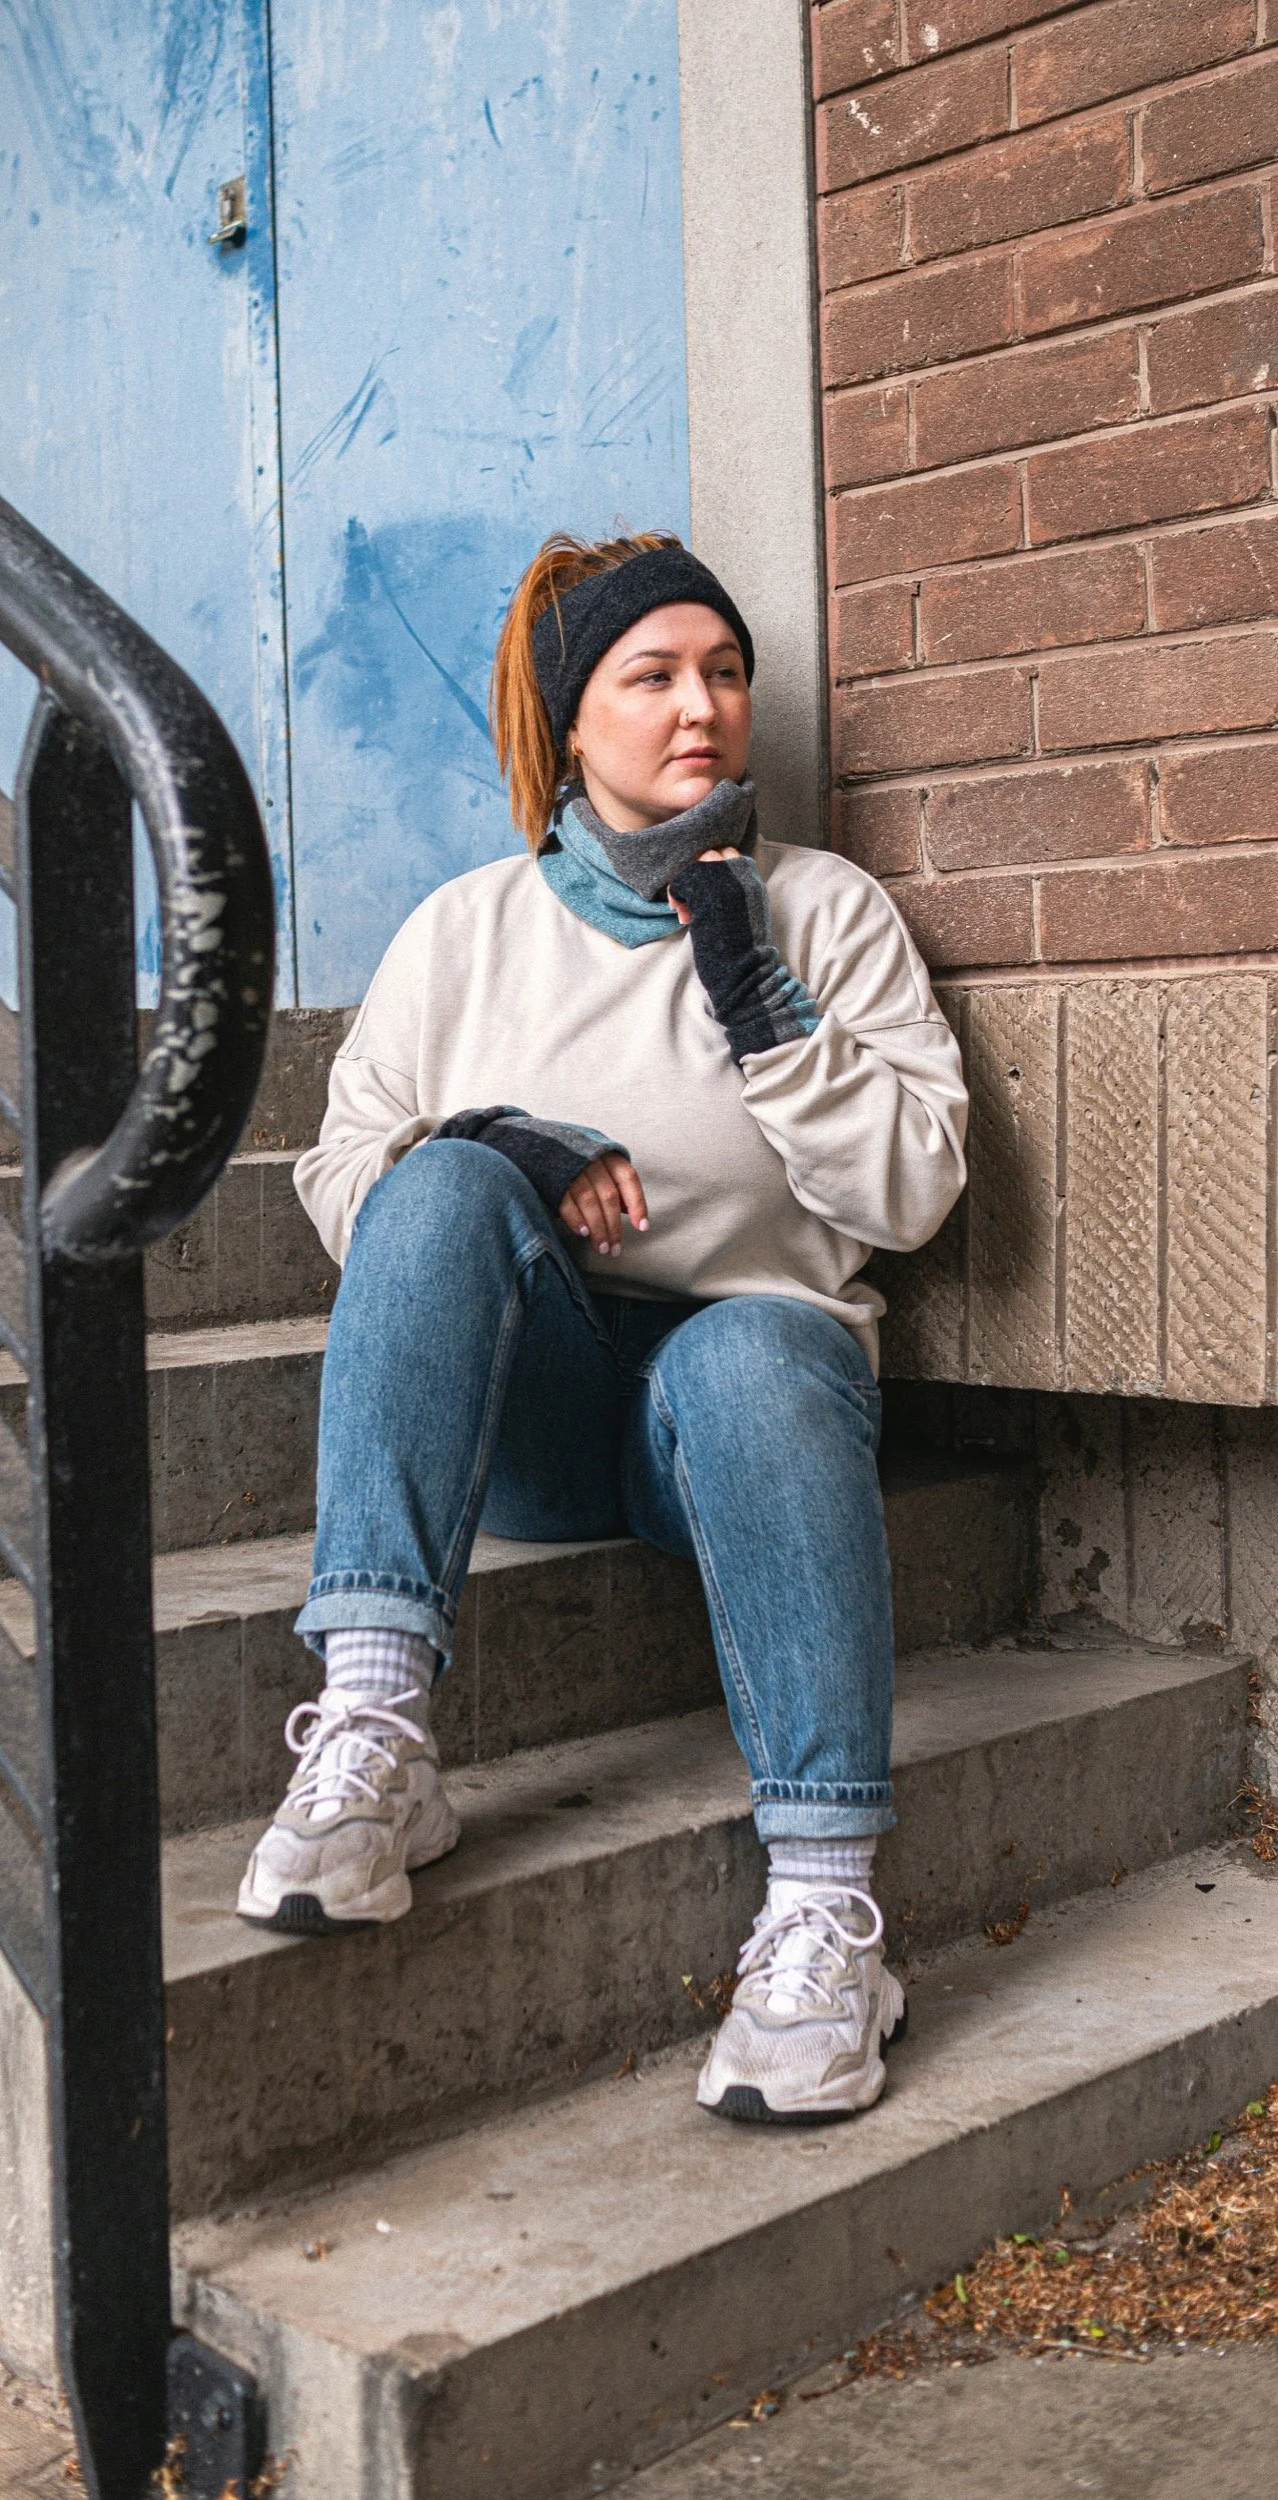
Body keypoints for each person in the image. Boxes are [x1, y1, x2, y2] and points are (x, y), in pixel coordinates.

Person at [236, 530, 967, 2125]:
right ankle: (376, 1734)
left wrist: (758, 1000)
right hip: (542, 1413)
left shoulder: (824, 913)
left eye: (723, 673)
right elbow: (343, 1181)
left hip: (745, 1421)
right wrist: (511, 1152)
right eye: (651, 676)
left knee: (764, 1342)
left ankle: (826, 1916)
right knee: (437, 1183)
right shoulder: (468, 930)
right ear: (574, 722)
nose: (699, 707)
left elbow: (911, 1193)